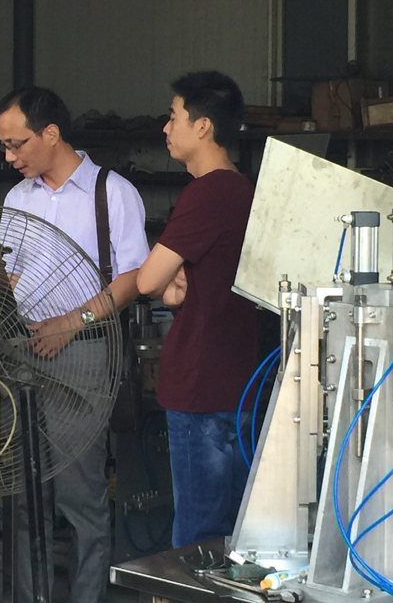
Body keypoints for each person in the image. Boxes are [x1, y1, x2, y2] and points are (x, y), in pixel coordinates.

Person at [0, 86, 149, 603]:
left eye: (16, 145)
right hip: (22, 352)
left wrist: (70, 322)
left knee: (79, 497)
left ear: (51, 134)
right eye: (5, 146)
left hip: (83, 353)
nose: (9, 157)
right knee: (23, 496)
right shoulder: (18, 198)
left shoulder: (112, 192)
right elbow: (11, 275)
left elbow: (133, 279)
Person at [136, 70, 262, 549]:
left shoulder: (208, 192)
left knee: (197, 538)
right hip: (239, 382)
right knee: (234, 533)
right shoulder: (243, 189)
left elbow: (148, 280)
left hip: (201, 385)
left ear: (203, 125)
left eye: (174, 117)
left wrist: (168, 282)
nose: (166, 128)